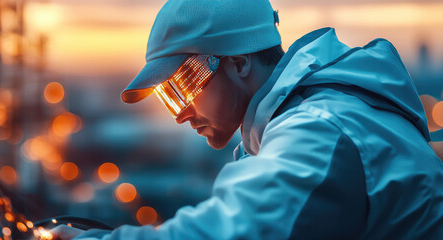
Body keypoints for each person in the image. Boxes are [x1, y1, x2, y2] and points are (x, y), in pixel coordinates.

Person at [51, 0, 443, 239]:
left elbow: (236, 232)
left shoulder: (321, 129)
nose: (181, 114)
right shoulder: (309, 117)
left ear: (239, 63)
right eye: (169, 98)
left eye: (184, 87)